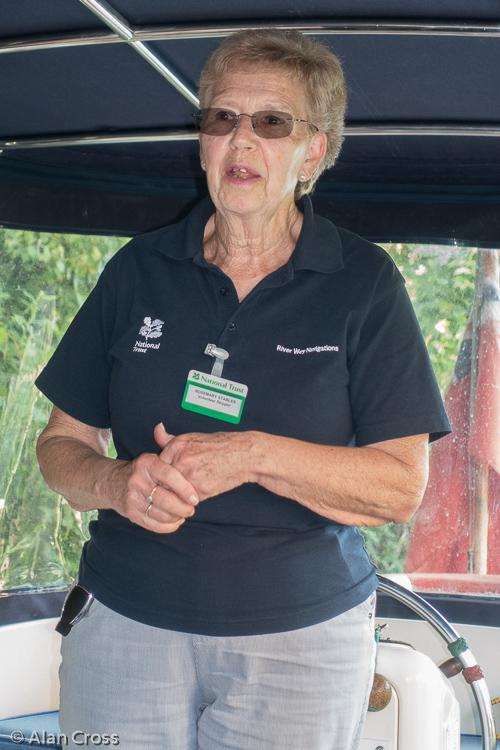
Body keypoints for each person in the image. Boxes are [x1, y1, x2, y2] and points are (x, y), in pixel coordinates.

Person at [36, 28, 450, 750]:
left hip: (301, 640)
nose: (241, 140)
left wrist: (255, 455)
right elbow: (61, 445)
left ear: (312, 150)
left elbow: (397, 488)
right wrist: (115, 481)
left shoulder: (364, 284)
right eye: (222, 118)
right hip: (129, 621)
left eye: (271, 123)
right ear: (202, 141)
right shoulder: (138, 270)